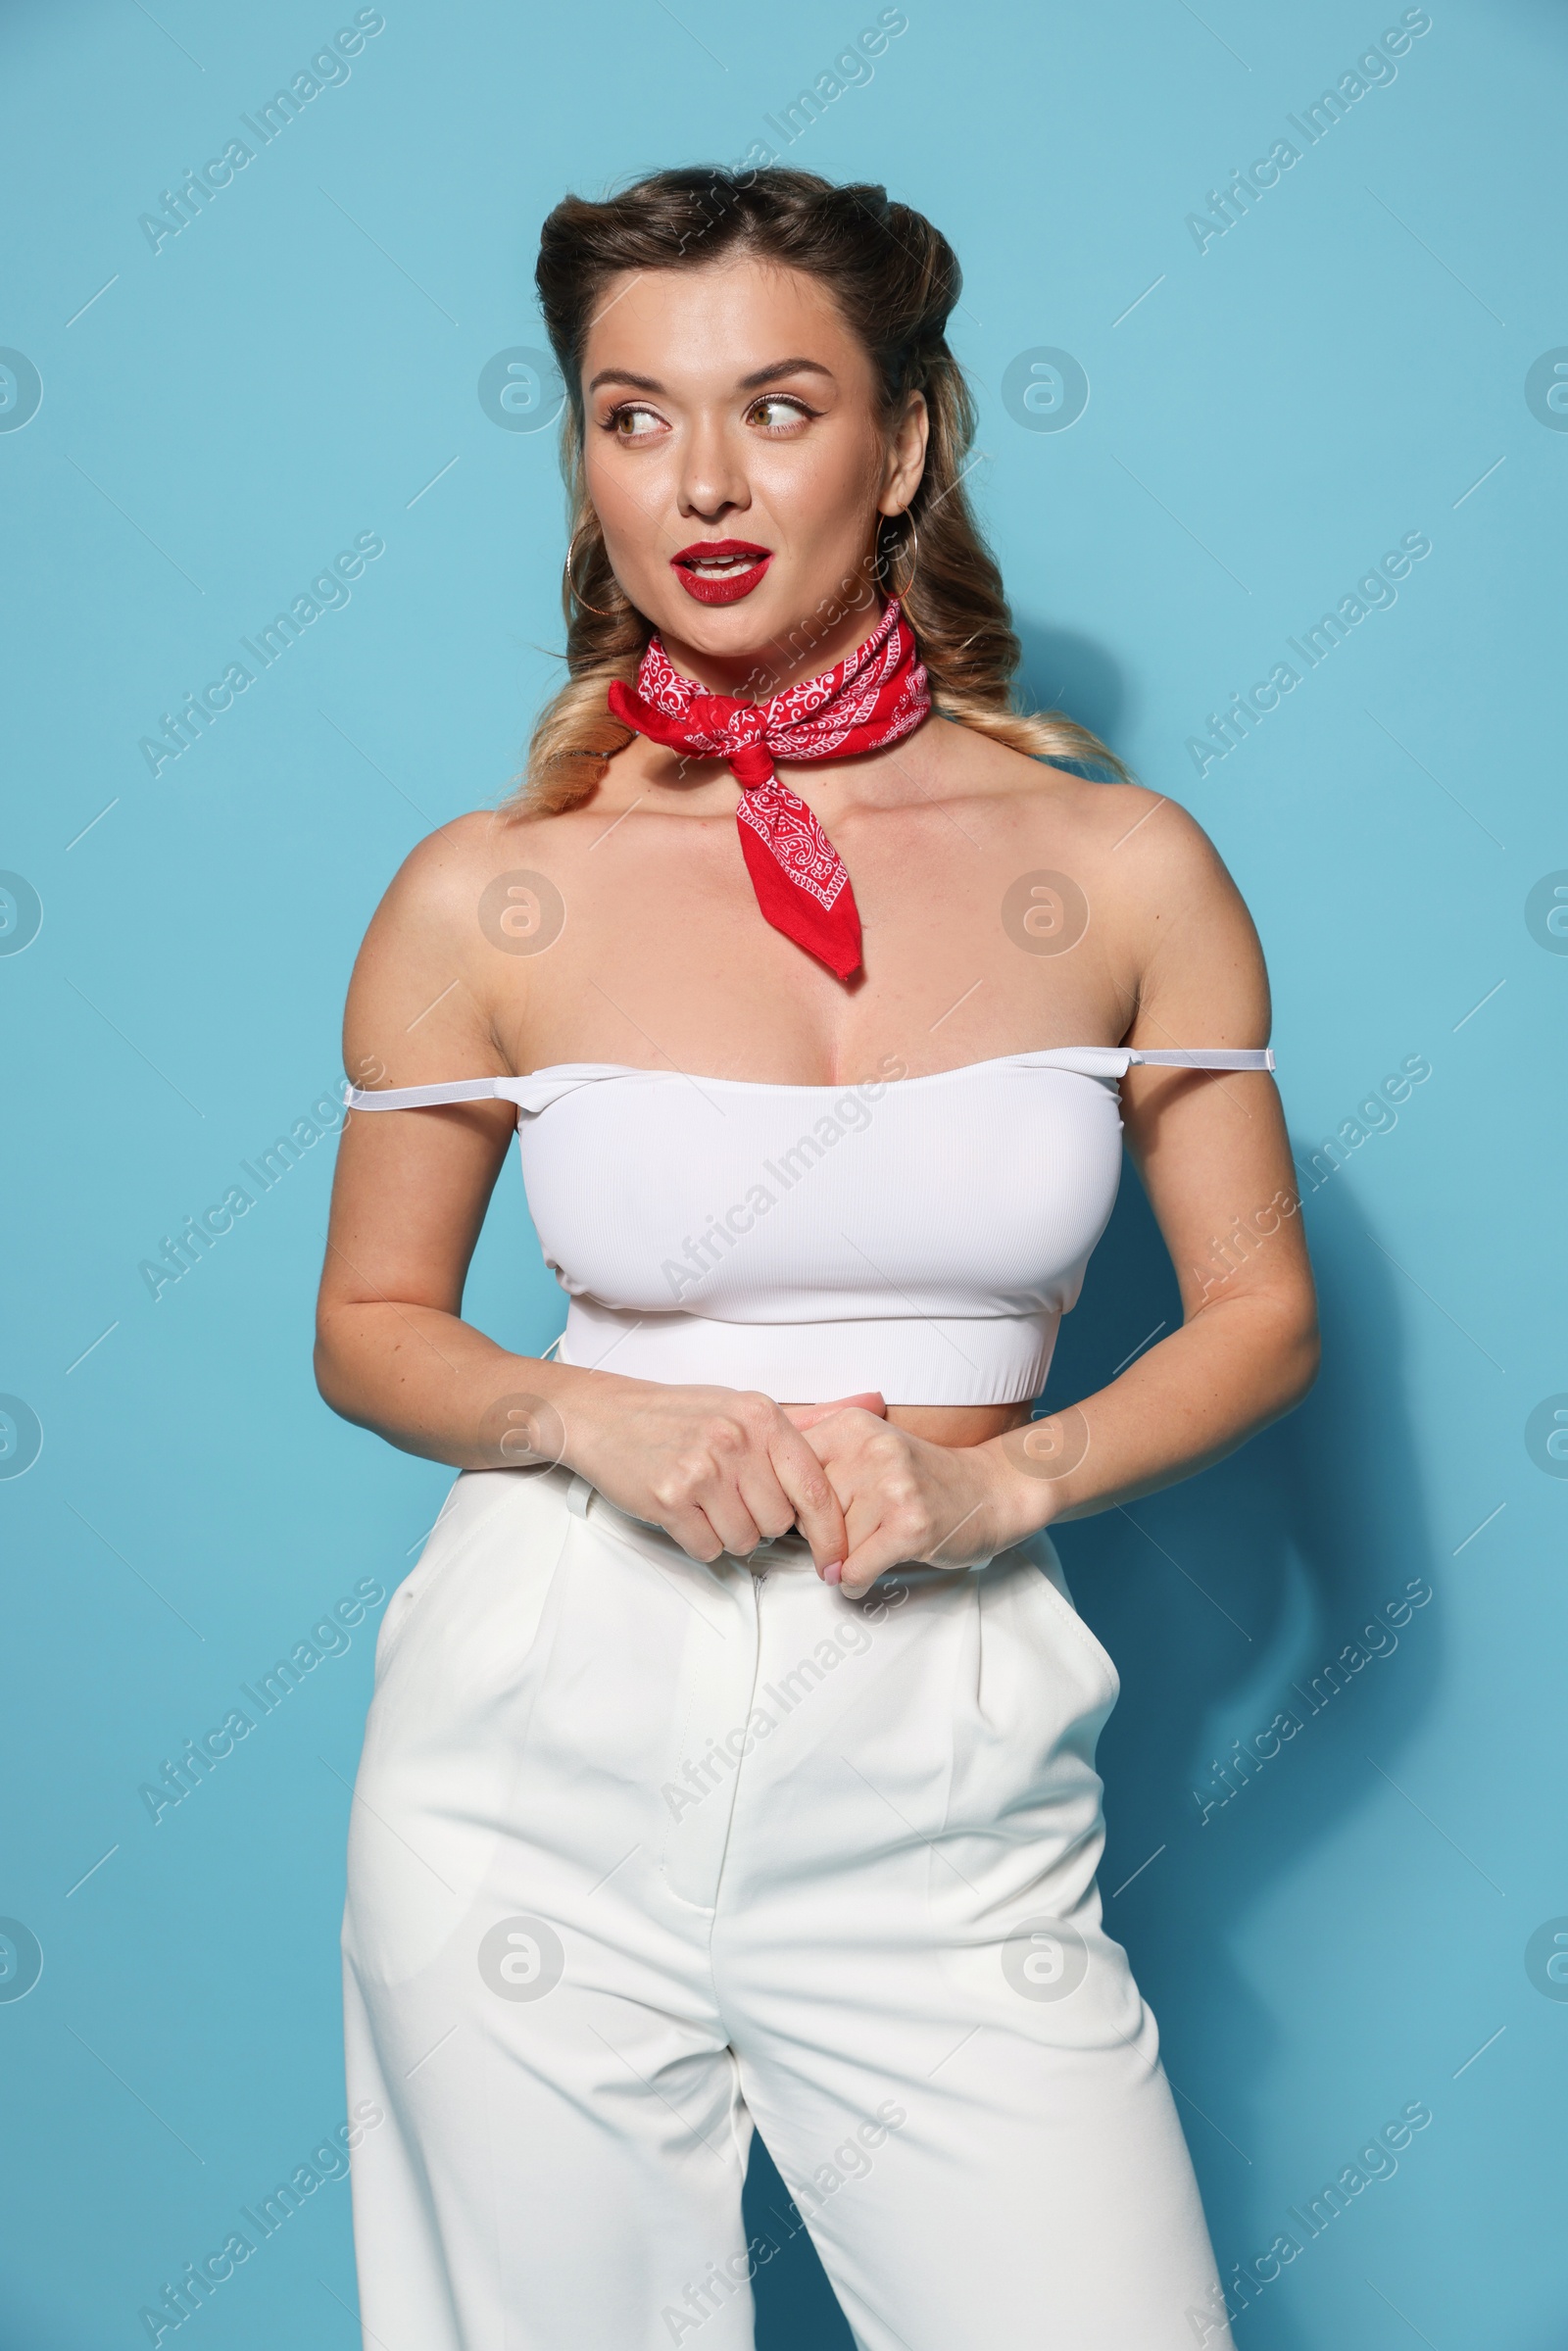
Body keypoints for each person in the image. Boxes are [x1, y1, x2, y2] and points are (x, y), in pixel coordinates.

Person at [315, 165, 1317, 2351]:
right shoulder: (490, 891)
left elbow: (1257, 1317)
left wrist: (1005, 1483)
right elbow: (368, 1332)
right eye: (628, 414)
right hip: (535, 1739)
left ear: (906, 440)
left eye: (775, 406)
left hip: (939, 1736)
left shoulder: (1122, 863)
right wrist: (588, 1413)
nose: (698, 481)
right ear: (578, 452)